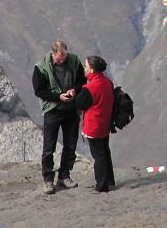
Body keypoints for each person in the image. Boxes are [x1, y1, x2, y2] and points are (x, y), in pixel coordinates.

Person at [32, 40, 86, 194]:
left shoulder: (74, 61)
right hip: (53, 110)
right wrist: (58, 96)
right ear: (53, 53)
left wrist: (74, 91)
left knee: (70, 144)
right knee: (49, 147)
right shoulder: (41, 67)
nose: (61, 61)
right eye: (58, 59)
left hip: (71, 109)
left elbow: (82, 81)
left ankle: (64, 175)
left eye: (63, 58)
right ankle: (48, 179)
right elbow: (39, 90)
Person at [67, 55, 115, 192]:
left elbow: (80, 103)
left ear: (92, 70)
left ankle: (102, 185)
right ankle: (109, 180)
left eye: (86, 66)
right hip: (105, 122)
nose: (84, 68)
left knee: (98, 155)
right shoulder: (107, 82)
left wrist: (74, 94)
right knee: (105, 152)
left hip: (94, 125)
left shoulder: (91, 87)